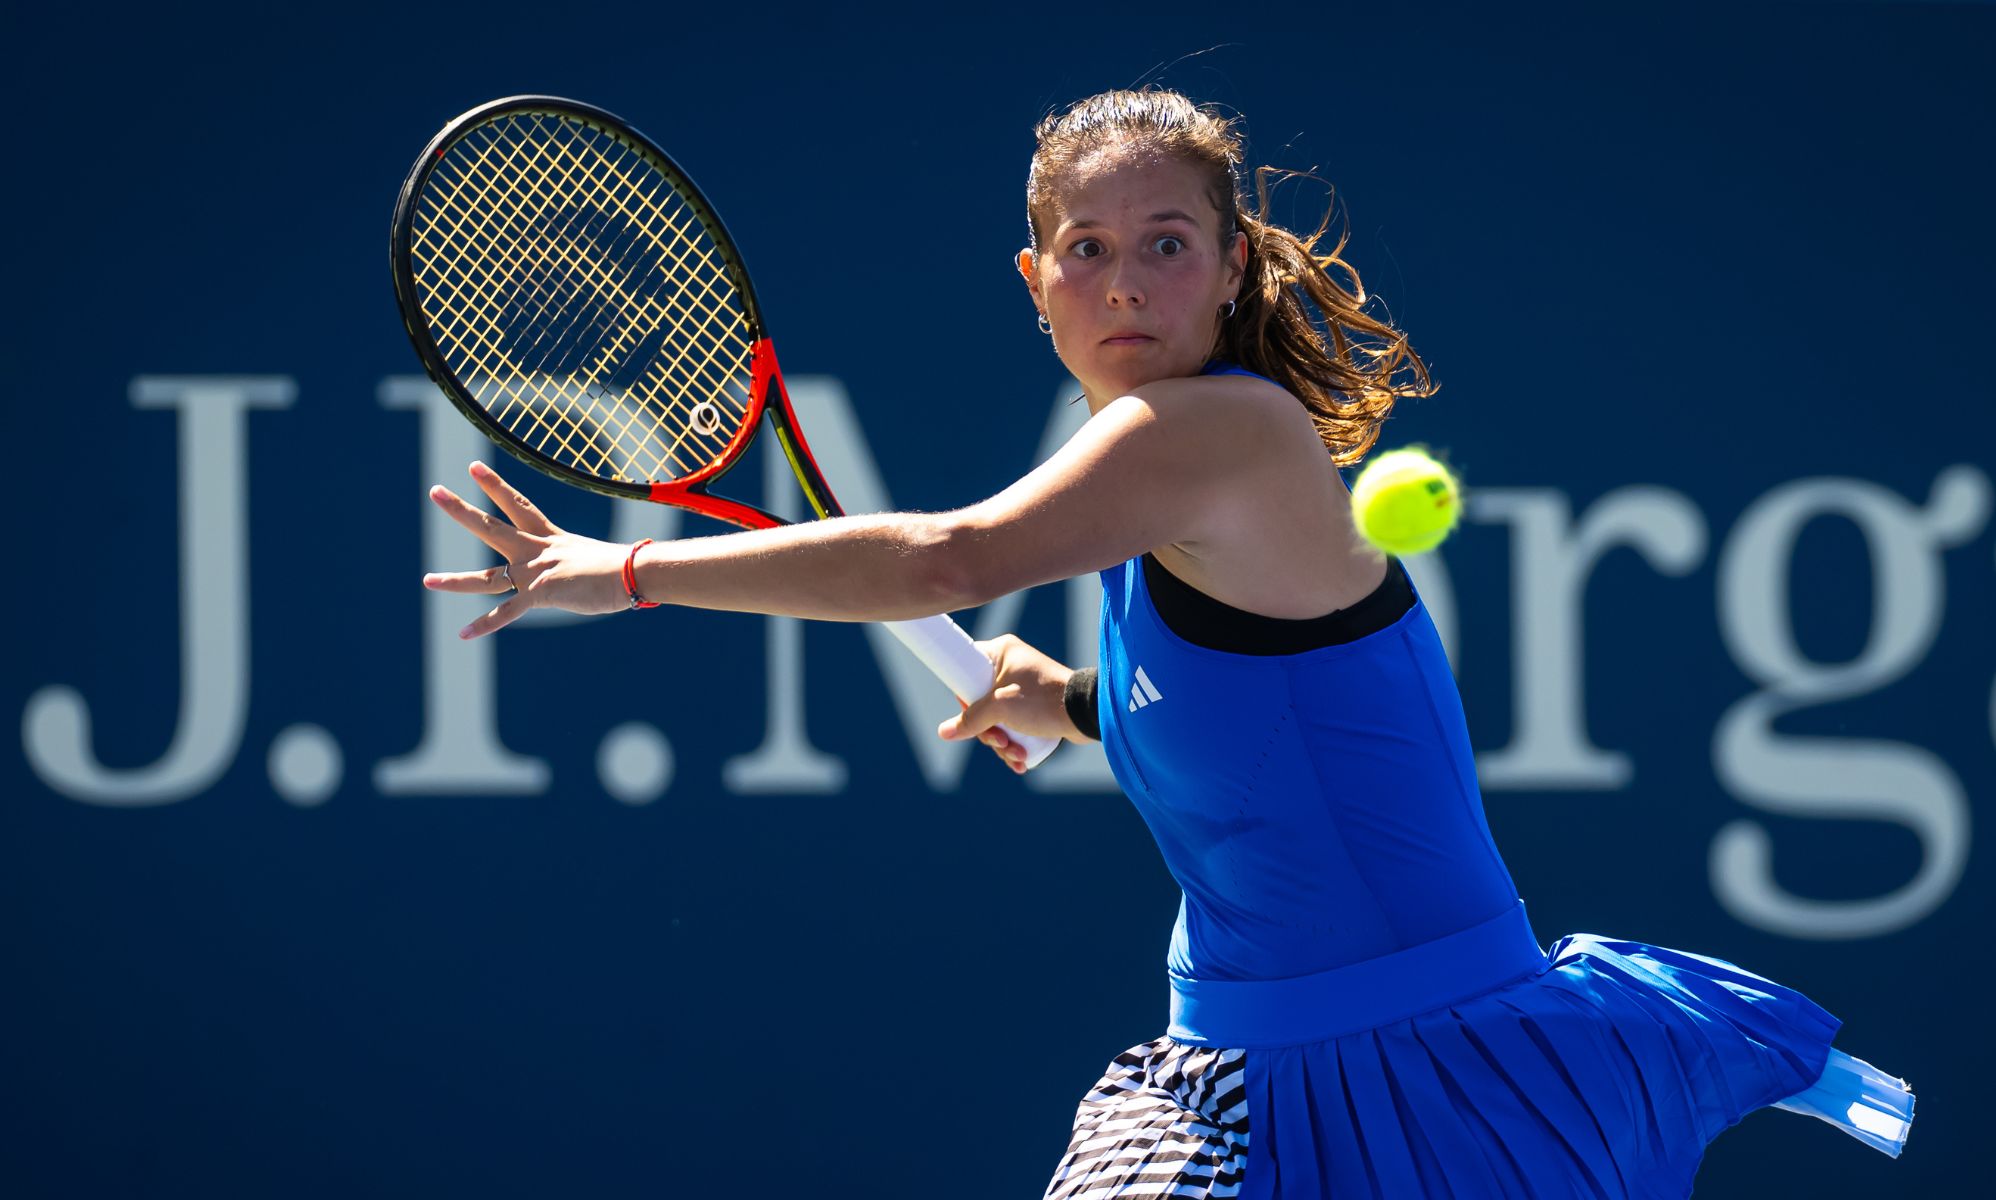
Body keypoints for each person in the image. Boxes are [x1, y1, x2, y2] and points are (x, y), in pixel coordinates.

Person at [422, 89, 1914, 1198]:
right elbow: (1265, 730)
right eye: (1084, 247)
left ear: (1231, 262)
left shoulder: (1215, 434)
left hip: (1430, 1084)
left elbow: (950, 557)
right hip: (1229, 1076)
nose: (1124, 281)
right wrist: (1067, 700)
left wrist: (619, 568)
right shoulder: (1166, 497)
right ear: (1034, 283)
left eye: (1166, 243)